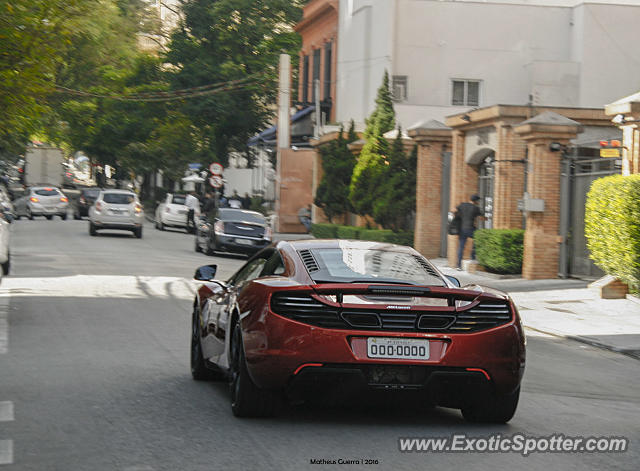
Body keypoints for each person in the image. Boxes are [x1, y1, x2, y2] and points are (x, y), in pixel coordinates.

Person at [455, 194, 484, 270]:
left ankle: (458, 265)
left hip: (462, 229)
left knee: (461, 247)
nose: (478, 202)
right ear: (476, 201)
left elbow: (455, 210)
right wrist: (485, 218)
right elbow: (482, 218)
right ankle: (473, 257)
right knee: (477, 239)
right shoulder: (475, 208)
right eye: (478, 201)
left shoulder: (462, 205)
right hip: (470, 229)